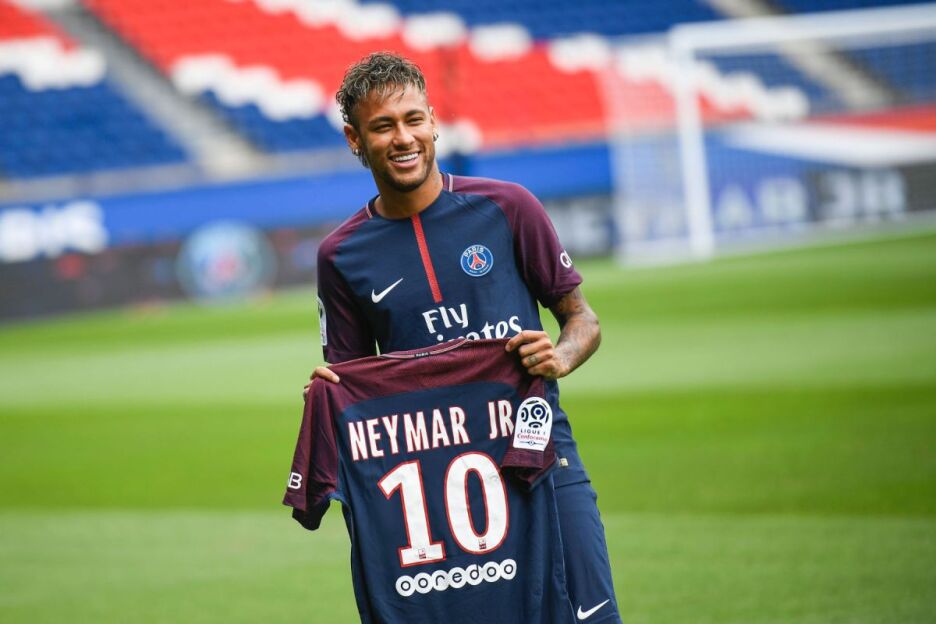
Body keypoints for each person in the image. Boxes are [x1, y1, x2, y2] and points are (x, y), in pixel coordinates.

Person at [305, 51, 621, 624]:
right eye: (383, 126)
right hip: (435, 492)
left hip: (541, 458)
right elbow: (354, 390)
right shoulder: (341, 256)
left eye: (413, 119)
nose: (403, 138)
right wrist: (329, 395)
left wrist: (560, 356)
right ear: (355, 140)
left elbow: (583, 320)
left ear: (433, 122)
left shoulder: (508, 207)